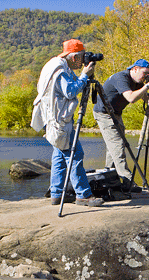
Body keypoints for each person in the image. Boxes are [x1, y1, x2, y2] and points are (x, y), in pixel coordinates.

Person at [31, 39, 104, 207]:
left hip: (55, 120)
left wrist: (84, 76)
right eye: (81, 57)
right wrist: (85, 75)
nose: (82, 61)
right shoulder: (60, 70)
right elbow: (70, 91)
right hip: (61, 122)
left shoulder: (55, 65)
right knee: (75, 155)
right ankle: (83, 195)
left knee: (59, 156)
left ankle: (56, 194)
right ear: (74, 57)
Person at [93, 59, 149, 192]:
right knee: (118, 144)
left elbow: (146, 98)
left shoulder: (137, 82)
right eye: (144, 73)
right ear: (135, 69)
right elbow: (131, 98)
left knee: (114, 147)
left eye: (148, 75)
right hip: (104, 113)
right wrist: (148, 84)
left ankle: (110, 178)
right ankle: (127, 180)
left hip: (115, 114)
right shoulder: (121, 78)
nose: (146, 77)